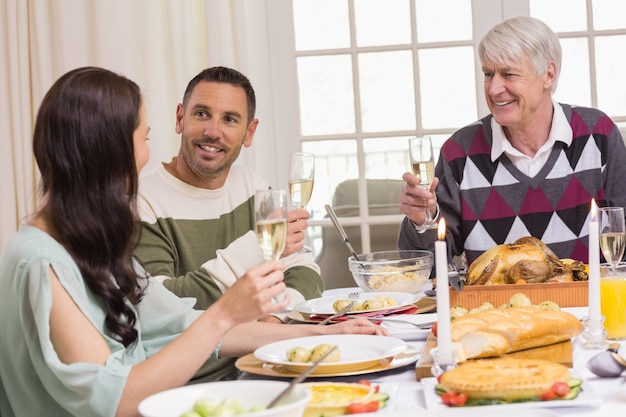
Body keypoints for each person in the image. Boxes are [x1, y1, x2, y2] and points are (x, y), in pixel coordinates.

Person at [0, 67, 386, 417]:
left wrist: (327, 331)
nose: (147, 155)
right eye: (143, 138)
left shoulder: (93, 245)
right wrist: (227, 311)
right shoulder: (38, 261)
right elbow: (116, 401)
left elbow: (182, 323)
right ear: (108, 150)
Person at [398, 16, 626, 266]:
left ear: (548, 75)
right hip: (494, 306)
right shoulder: (459, 152)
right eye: (488, 74)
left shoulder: (598, 135)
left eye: (508, 74)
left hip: (588, 305)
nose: (494, 89)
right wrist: (422, 222)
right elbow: (424, 268)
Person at [134, 66, 322, 322]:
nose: (212, 131)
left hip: (260, 353)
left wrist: (275, 317)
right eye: (201, 114)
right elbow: (161, 305)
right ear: (180, 119)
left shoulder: (251, 186)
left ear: (249, 132)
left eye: (230, 119)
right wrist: (257, 248)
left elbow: (304, 268)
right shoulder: (142, 201)